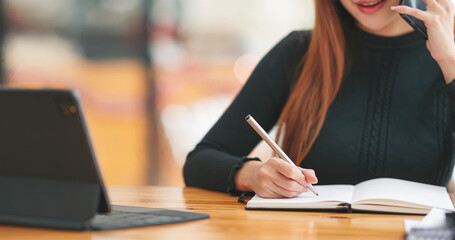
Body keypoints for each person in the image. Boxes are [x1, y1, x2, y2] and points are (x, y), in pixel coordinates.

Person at [183, 0, 455, 198]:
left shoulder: (448, 58)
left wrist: (451, 62)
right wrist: (253, 176)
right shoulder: (299, 51)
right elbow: (199, 162)